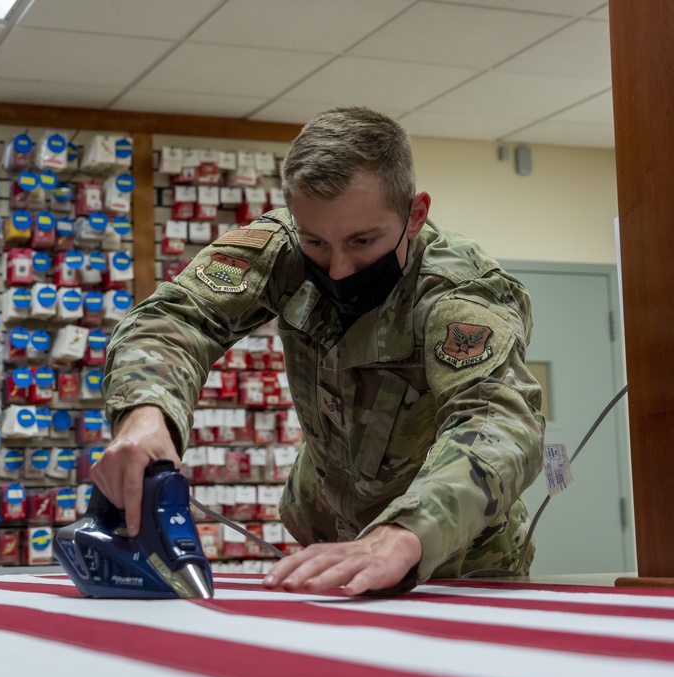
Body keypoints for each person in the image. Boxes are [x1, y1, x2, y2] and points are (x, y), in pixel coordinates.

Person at [93, 106, 545, 596]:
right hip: (327, 541)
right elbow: (175, 318)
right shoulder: (280, 248)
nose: (338, 269)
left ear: (415, 215)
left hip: (455, 563)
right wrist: (146, 412)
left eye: (362, 241)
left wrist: (406, 532)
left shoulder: (459, 292)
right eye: (316, 241)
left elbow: (497, 422)